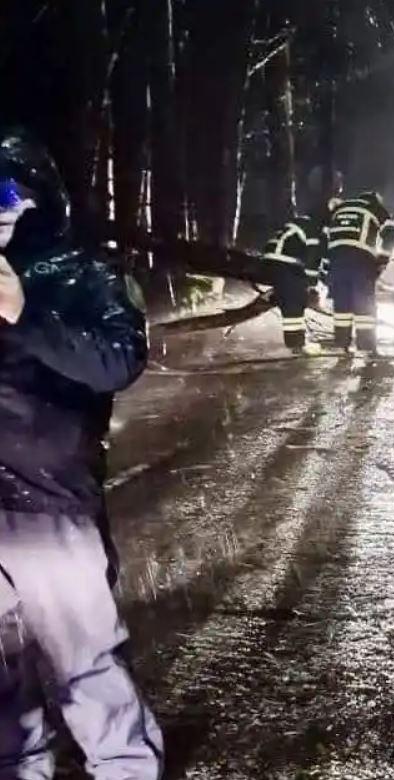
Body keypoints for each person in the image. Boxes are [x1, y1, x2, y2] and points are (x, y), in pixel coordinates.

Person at [0, 129, 162, 777]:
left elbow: (116, 361)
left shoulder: (86, 274)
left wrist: (23, 313)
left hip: (50, 509)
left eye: (7, 192)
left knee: (86, 667)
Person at [324, 191, 394, 353]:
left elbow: (326, 238)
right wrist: (381, 261)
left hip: (336, 260)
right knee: (364, 306)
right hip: (360, 260)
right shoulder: (375, 208)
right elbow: (390, 236)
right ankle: (366, 347)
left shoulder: (341, 208)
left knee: (342, 305)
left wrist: (327, 269)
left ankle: (342, 345)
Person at [261, 214, 324, 354]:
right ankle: (296, 346)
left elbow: (318, 262)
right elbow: (313, 260)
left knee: (293, 294)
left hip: (272, 262)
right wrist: (312, 286)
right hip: (285, 261)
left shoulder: (306, 225)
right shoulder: (316, 231)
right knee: (294, 301)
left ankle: (277, 295)